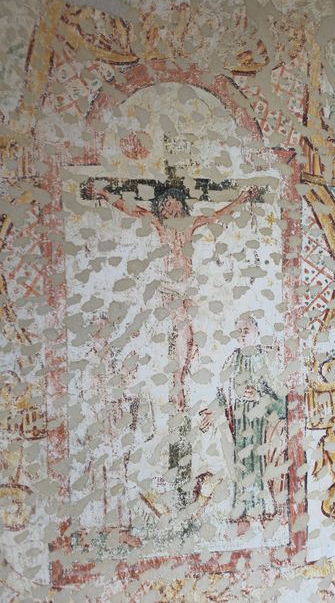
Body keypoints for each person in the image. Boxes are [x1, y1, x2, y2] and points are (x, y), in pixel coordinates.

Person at [81, 174, 261, 508]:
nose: (171, 208)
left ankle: (180, 383)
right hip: (169, 291)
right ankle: (176, 385)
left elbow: (217, 215)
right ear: (161, 208)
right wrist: (103, 193)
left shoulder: (190, 225)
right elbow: (130, 208)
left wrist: (242, 199)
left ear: (182, 206)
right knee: (176, 344)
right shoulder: (159, 225)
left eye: (175, 204)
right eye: (165, 205)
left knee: (185, 345)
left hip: (185, 293)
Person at [200, 316, 287, 536]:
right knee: (242, 469)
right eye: (238, 331)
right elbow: (222, 395)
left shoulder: (266, 358)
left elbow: (282, 400)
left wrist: (259, 397)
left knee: (260, 468)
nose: (241, 335)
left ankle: (267, 515)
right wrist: (213, 410)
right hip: (240, 425)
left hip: (263, 425)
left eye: (246, 330)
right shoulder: (232, 360)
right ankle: (244, 516)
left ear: (256, 332)